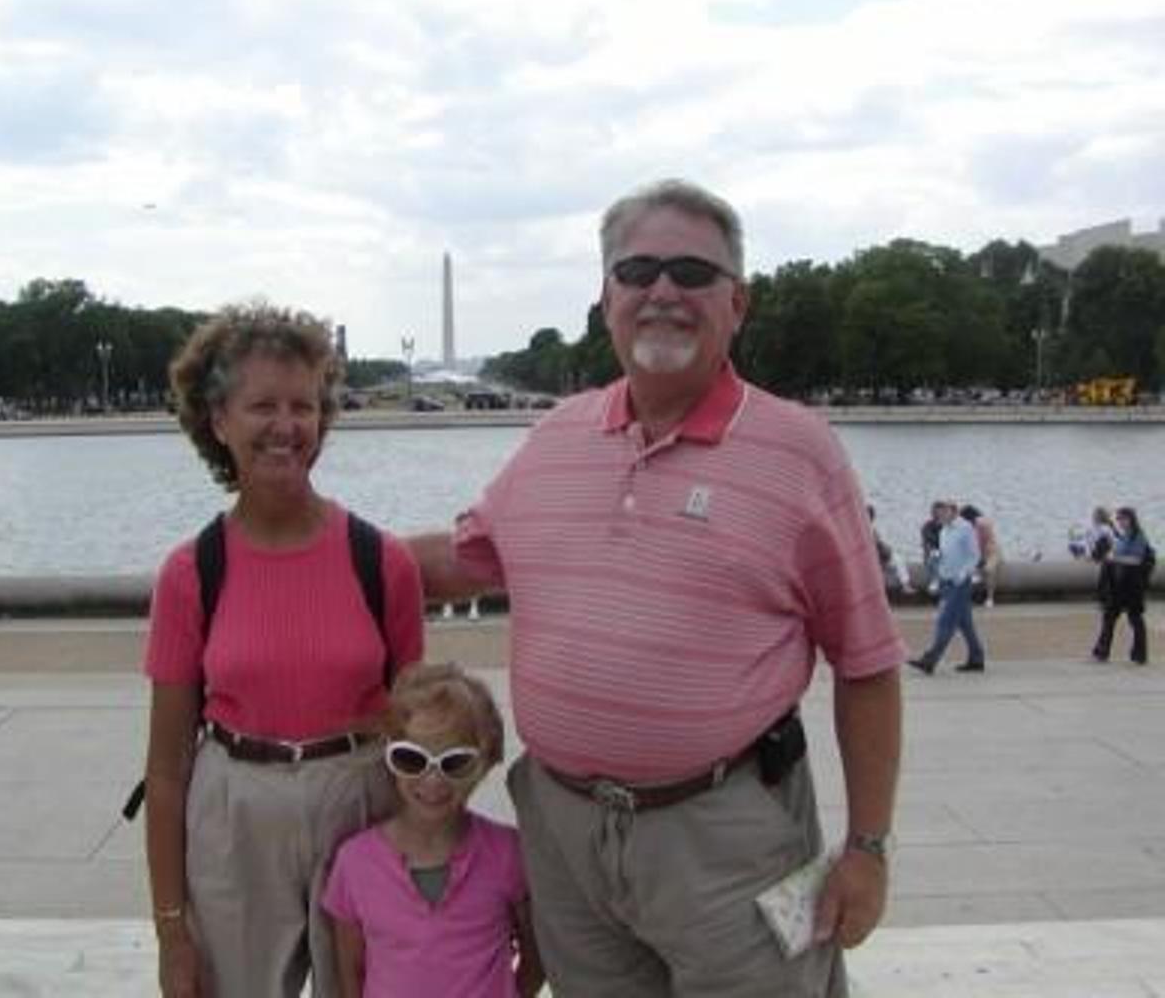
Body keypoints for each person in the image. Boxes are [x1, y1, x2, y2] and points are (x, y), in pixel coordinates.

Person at [411, 178, 904, 997]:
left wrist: (869, 849)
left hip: (728, 838)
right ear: (607, 299)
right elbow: (464, 560)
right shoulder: (556, 437)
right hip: (566, 834)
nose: (663, 291)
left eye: (693, 272)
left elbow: (869, 664)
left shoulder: (799, 453)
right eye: (638, 271)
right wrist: (299, 556)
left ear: (737, 303)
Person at [141, 304, 425, 998]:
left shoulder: (382, 562)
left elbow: (415, 735)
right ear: (219, 421)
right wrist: (172, 933)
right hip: (233, 811)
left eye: (303, 405)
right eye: (262, 405)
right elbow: (167, 770)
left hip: (359, 804)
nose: (286, 425)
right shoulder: (190, 574)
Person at [323, 663, 544, 998]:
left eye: (455, 762)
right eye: (412, 759)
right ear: (388, 757)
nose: (433, 780)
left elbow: (536, 955)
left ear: (485, 763)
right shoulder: (354, 863)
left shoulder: (508, 853)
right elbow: (350, 974)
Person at [907, 501, 986, 674]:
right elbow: (946, 554)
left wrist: (963, 574)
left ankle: (930, 660)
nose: (940, 516)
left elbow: (974, 555)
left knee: (945, 621)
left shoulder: (965, 529)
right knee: (965, 623)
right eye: (939, 513)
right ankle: (977, 658)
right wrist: (937, 559)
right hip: (946, 581)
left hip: (959, 583)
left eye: (944, 512)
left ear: (953, 512)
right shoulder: (944, 531)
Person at [1090, 506, 1151, 665]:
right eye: (1118, 519)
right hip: (1119, 584)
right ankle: (1101, 652)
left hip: (1133, 585)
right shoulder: (1124, 536)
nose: (1120, 522)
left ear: (1131, 519)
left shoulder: (1139, 537)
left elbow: (1137, 560)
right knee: (1109, 617)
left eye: (1122, 519)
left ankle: (1140, 654)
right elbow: (1118, 554)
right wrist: (1110, 556)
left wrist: (1115, 559)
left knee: (1135, 619)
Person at [959, 505, 1001, 608]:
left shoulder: (984, 525)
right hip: (976, 554)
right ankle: (968, 598)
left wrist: (980, 560)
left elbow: (986, 543)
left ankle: (990, 598)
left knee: (989, 569)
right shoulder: (964, 527)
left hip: (991, 552)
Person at [868, 504, 914, 595]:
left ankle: (905, 585)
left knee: (898, 559)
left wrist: (883, 547)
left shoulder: (874, 529)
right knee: (895, 560)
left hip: (880, 555)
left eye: (871, 516)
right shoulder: (864, 529)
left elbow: (881, 545)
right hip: (870, 557)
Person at [919, 502, 945, 595]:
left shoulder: (949, 526)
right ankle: (935, 581)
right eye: (935, 512)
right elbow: (932, 541)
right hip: (933, 555)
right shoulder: (927, 527)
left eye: (940, 513)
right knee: (935, 554)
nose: (938, 515)